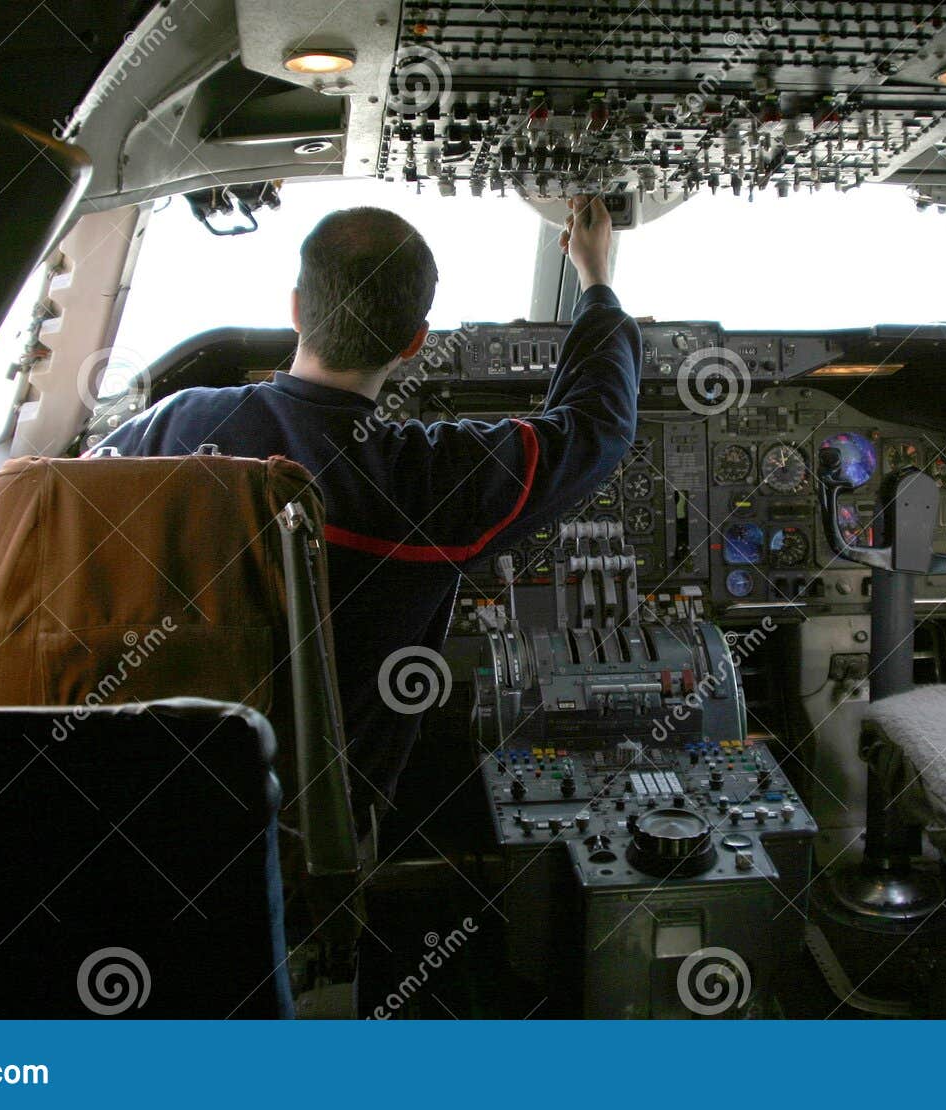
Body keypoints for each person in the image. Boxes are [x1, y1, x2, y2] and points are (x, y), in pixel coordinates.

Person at [98, 195, 640, 822]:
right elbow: (597, 428)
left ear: (297, 309)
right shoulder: (422, 484)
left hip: (138, 793)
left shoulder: (170, 424)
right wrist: (596, 280)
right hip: (308, 839)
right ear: (414, 343)